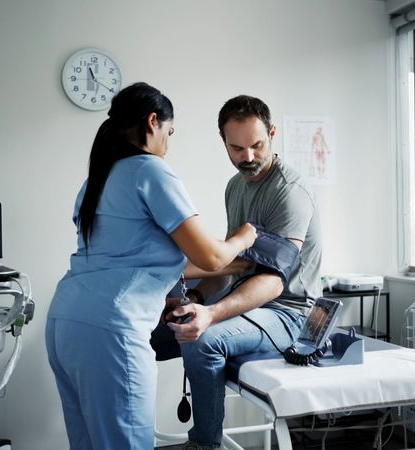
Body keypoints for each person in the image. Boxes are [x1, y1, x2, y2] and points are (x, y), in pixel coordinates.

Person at [45, 82, 257, 450]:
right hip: (111, 330)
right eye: (170, 133)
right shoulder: (150, 170)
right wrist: (245, 237)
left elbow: (124, 257)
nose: (169, 143)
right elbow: (209, 256)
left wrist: (161, 297)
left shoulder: (95, 180)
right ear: (153, 121)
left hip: (66, 321)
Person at [160, 95, 323, 450]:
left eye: (257, 145)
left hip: (289, 312)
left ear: (273, 134)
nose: (247, 157)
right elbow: (233, 264)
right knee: (155, 334)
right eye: (236, 148)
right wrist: (198, 299)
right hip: (251, 303)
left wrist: (212, 314)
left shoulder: (289, 192)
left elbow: (274, 281)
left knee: (202, 340)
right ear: (223, 142)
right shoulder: (235, 187)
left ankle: (206, 444)